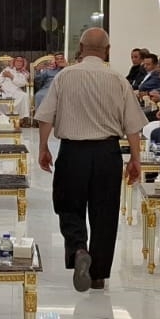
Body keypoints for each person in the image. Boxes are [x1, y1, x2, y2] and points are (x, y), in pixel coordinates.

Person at [36, 28, 146, 292]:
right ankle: (98, 275)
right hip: (107, 153)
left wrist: (43, 147)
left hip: (73, 152)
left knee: (68, 205)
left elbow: (46, 116)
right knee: (105, 212)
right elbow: (132, 125)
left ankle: (78, 249)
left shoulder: (65, 76)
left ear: (80, 48)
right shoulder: (118, 79)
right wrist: (135, 159)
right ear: (107, 50)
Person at [0, 55, 31, 120]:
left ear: (23, 63)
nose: (19, 63)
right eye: (17, 61)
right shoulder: (7, 69)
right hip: (4, 90)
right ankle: (2, 117)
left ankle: (21, 118)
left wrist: (11, 76)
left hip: (16, 91)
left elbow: (22, 83)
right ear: (14, 62)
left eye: (21, 61)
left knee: (24, 96)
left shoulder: (25, 73)